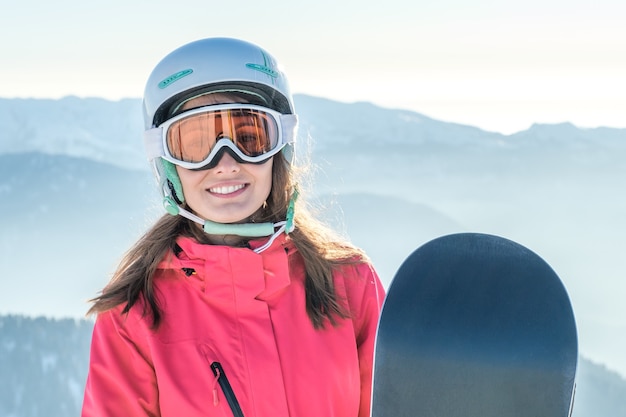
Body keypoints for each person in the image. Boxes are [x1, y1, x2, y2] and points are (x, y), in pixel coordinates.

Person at [81, 37, 385, 417]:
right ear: (167, 164)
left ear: (279, 150)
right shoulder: (136, 314)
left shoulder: (349, 284)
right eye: (196, 145)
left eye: (249, 138)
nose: (226, 163)